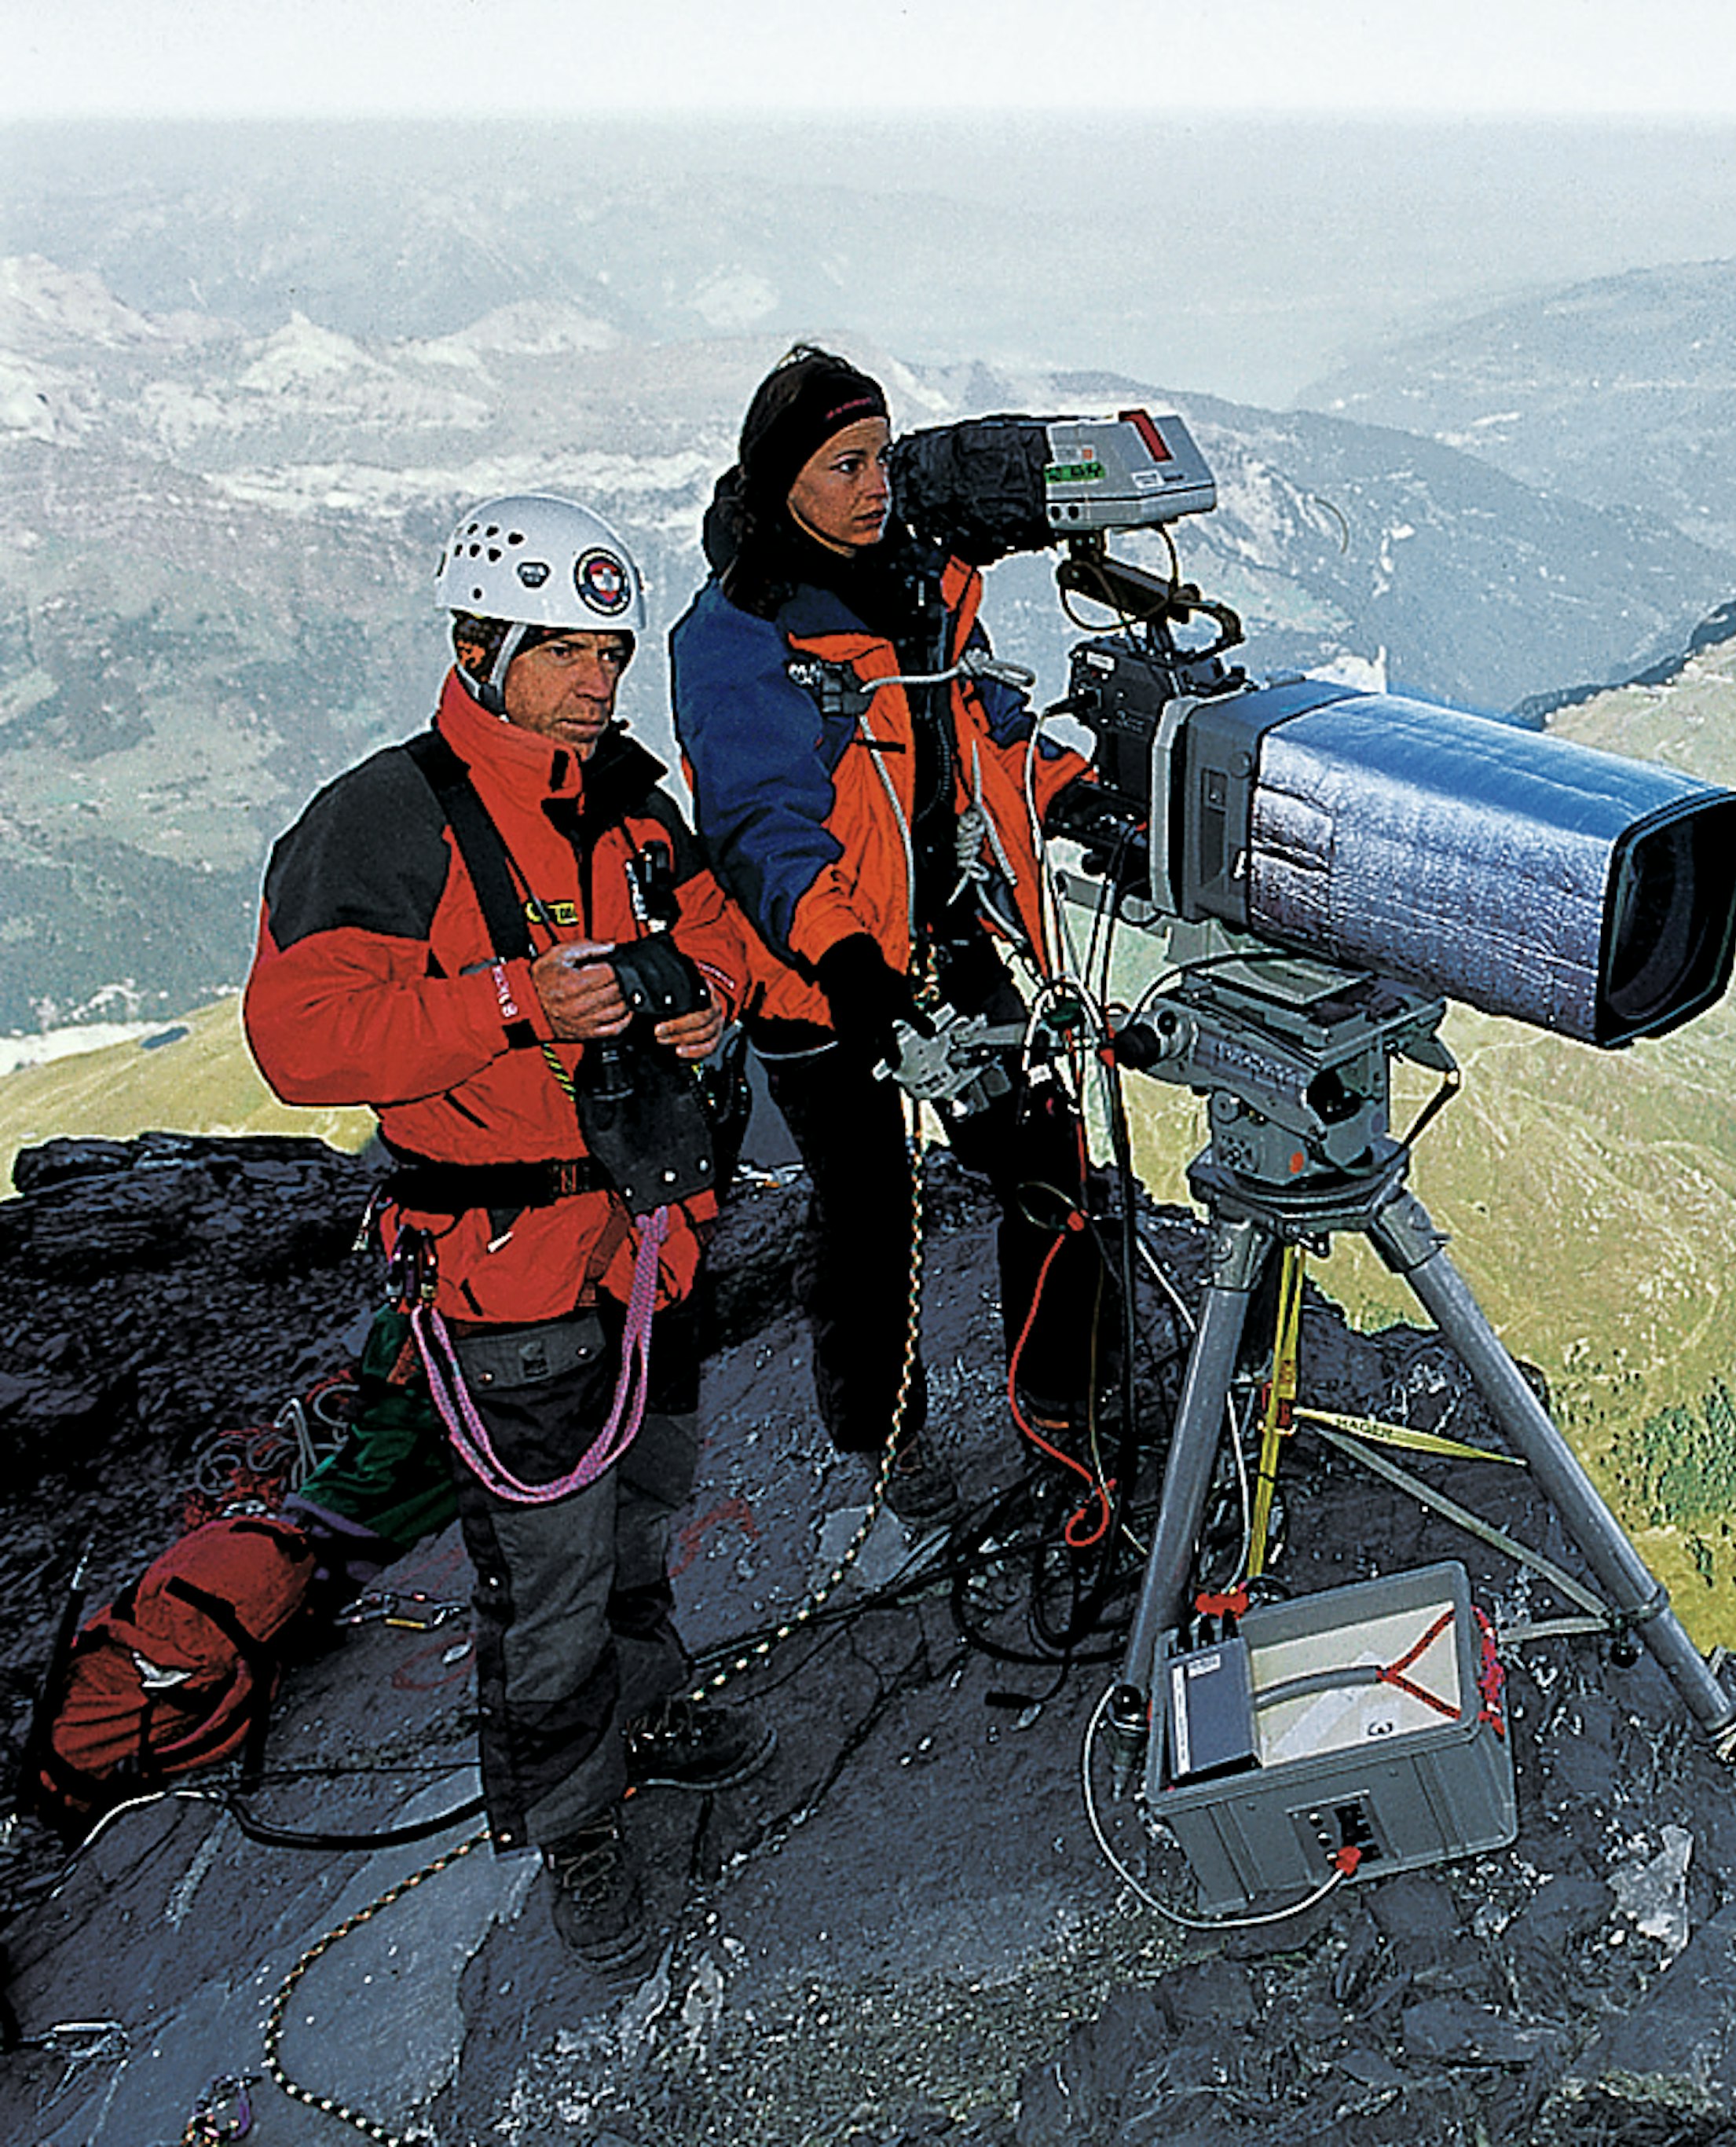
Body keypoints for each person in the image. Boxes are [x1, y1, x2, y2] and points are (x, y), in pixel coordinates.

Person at [245, 495, 777, 1973]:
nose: (599, 683)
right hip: (506, 1269)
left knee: (645, 1516)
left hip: (649, 1241)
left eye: (608, 652)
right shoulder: (384, 820)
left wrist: (703, 992)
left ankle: (649, 1711)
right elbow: (302, 1038)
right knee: (544, 1578)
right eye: (565, 654)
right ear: (480, 648)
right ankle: (576, 1827)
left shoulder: (629, 802)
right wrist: (510, 1005)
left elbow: (721, 933)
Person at [668, 346, 1119, 1514]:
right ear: (783, 484)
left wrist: (1074, 793)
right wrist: (851, 961)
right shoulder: (739, 637)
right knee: (870, 1212)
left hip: (936, 936)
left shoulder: (914, 588)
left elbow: (986, 722)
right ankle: (883, 1440)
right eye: (846, 464)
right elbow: (762, 827)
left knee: (1046, 1156)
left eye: (880, 457)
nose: (878, 486)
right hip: (823, 981)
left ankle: (1062, 1404)